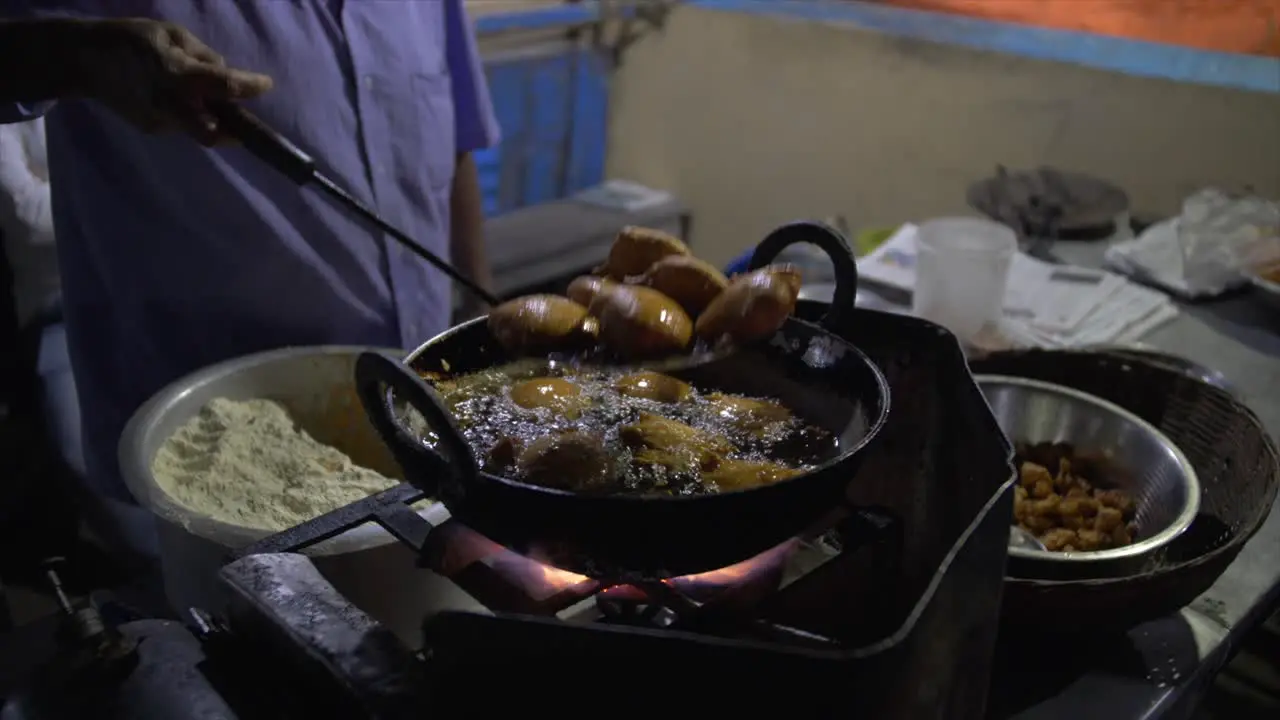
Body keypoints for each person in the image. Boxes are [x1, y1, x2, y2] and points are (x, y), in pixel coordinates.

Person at [2, 6, 499, 557]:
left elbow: (455, 142)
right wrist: (78, 55)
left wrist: (484, 315)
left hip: (417, 409)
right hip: (212, 454)